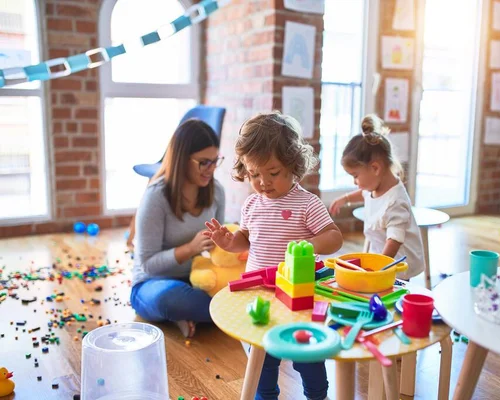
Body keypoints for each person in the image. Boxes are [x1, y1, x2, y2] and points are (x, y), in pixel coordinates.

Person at [204, 111, 343, 400]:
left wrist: (310, 246)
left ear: (293, 165)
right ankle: (265, 395)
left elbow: (334, 237)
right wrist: (229, 242)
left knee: (307, 354)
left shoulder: (307, 203)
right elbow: (246, 240)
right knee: (262, 354)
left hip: (299, 296)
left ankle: (318, 395)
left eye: (273, 173)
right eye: (254, 174)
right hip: (261, 294)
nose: (263, 181)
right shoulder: (252, 204)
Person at [130, 119, 225, 338]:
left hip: (196, 278)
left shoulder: (216, 192)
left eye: (215, 161)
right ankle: (217, 313)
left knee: (234, 286)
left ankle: (190, 314)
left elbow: (218, 253)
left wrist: (227, 244)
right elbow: (148, 265)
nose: (210, 170)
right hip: (152, 283)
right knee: (169, 299)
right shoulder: (156, 196)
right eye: (203, 162)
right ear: (182, 159)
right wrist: (190, 248)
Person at [329, 114, 425, 281]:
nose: (355, 182)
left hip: (396, 264)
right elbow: (364, 193)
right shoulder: (375, 185)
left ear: (375, 168)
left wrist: (379, 270)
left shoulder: (396, 202)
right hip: (380, 255)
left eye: (355, 175)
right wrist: (345, 199)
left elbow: (394, 240)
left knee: (391, 296)